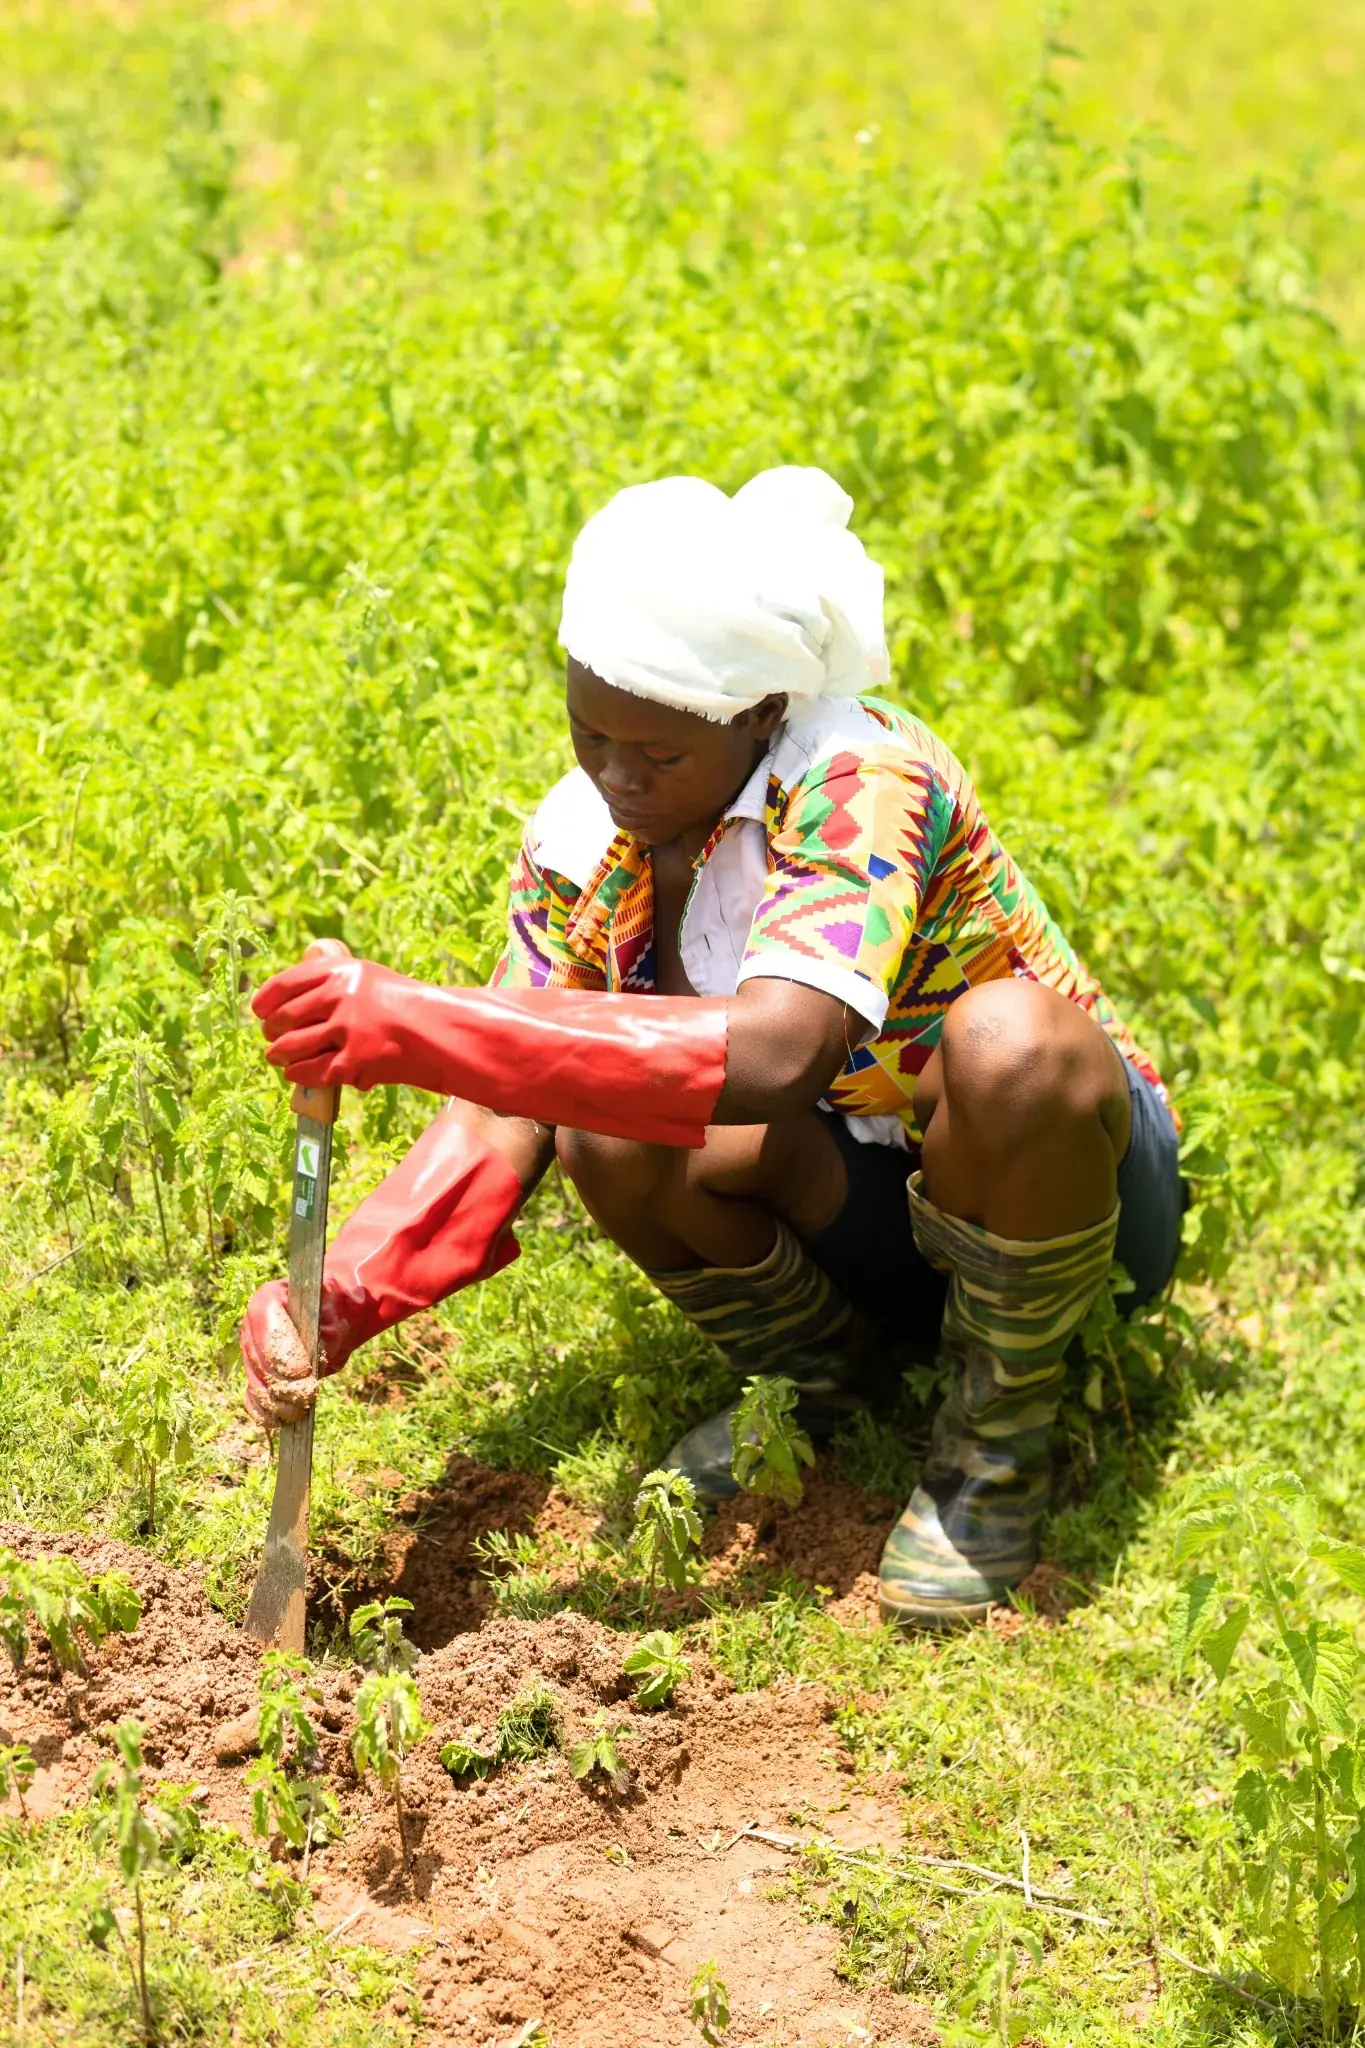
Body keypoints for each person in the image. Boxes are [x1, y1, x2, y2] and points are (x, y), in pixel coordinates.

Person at [240, 466, 1183, 1628]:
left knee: (1007, 1041)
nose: (619, 777)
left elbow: (782, 1053)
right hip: (876, 1204)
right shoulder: (585, 842)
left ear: (761, 713)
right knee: (600, 1112)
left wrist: (421, 1025)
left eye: (661, 754)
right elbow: (500, 1111)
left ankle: (997, 1440)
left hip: (1065, 1183)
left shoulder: (857, 780)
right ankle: (819, 1383)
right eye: (591, 733)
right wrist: (340, 1290)